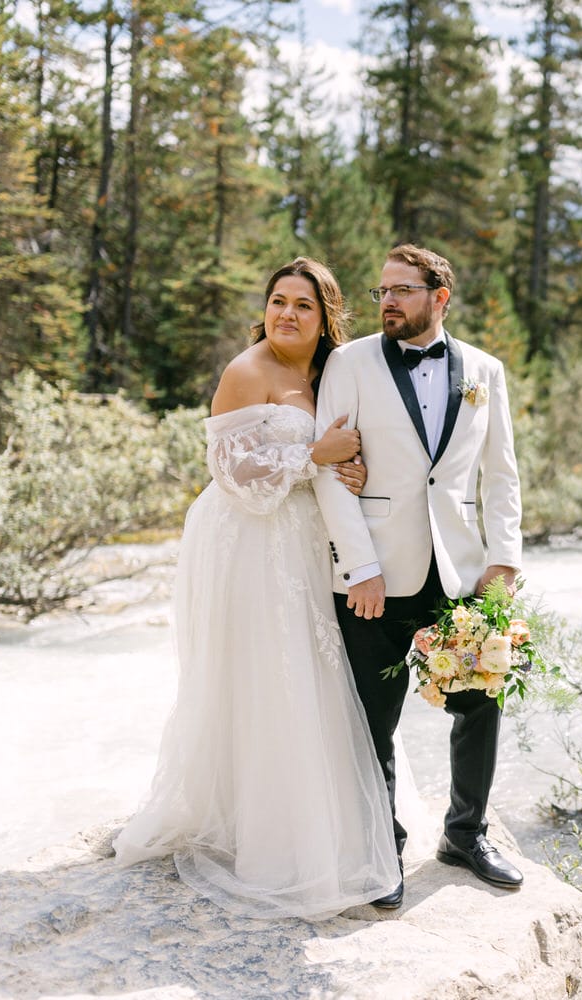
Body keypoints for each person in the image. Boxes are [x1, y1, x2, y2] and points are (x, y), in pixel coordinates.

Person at [113, 257, 403, 918]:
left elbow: (342, 452)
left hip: (302, 542)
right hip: (244, 541)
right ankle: (260, 836)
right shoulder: (246, 371)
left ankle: (323, 830)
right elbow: (235, 474)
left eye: (302, 305)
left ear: (325, 316)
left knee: (308, 675)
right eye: (278, 301)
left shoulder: (334, 373)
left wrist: (346, 470)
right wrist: (313, 458)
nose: (286, 315)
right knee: (262, 673)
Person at [313, 244, 524, 904]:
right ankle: (385, 852)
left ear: (440, 297)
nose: (387, 301)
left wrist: (503, 560)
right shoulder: (348, 364)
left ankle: (465, 833)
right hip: (374, 577)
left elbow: (503, 475)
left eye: (402, 290)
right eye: (381, 290)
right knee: (373, 722)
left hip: (460, 574)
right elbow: (328, 470)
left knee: (479, 703)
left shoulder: (484, 371)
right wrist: (361, 567)